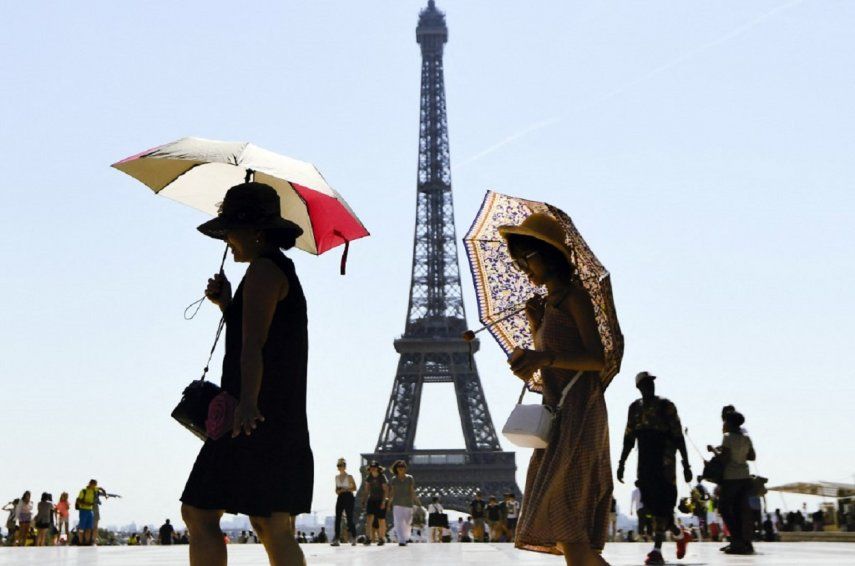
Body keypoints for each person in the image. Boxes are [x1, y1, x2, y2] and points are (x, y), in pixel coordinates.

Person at [180, 182, 314, 566]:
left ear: (255, 232)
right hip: (277, 415)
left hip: (250, 415)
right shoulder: (273, 270)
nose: (228, 240)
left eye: (231, 232)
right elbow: (264, 339)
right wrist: (226, 305)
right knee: (271, 522)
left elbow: (253, 347)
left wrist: (248, 405)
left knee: (200, 512)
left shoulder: (262, 272)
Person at [501, 214, 613, 566]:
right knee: (566, 529)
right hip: (559, 416)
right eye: (517, 262)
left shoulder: (573, 298)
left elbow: (597, 359)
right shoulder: (549, 307)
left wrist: (544, 356)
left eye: (526, 258)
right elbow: (548, 366)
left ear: (549, 254)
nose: (522, 268)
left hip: (579, 414)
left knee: (566, 521)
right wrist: (536, 328)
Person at [618, 371, 692, 565]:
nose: (650, 387)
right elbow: (629, 438)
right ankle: (679, 534)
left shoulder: (666, 406)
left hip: (665, 461)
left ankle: (657, 550)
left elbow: (678, 436)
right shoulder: (634, 408)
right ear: (639, 387)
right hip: (645, 461)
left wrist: (686, 464)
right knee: (651, 504)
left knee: (663, 501)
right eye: (645, 384)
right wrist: (621, 463)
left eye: (651, 383)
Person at [708, 410, 755, 555]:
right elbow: (752, 456)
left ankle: (736, 541)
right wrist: (740, 455)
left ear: (729, 423)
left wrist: (714, 451)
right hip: (744, 477)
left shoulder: (727, 437)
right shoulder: (746, 438)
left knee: (724, 508)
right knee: (739, 510)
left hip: (731, 478)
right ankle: (742, 541)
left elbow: (725, 459)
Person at [389, 460, 418, 546]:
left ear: (405, 468)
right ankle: (401, 540)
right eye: (399, 467)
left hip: (408, 503)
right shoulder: (394, 479)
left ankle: (406, 537)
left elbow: (412, 491)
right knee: (398, 522)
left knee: (407, 522)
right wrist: (388, 502)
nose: (401, 468)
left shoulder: (410, 478)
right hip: (397, 504)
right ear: (396, 469)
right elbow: (392, 492)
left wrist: (417, 502)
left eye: (402, 467)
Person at [331, 458, 357, 546]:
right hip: (340, 497)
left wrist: (345, 489)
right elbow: (336, 490)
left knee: (349, 517)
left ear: (344, 466)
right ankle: (336, 538)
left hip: (348, 496)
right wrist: (338, 491)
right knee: (338, 518)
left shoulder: (349, 477)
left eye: (341, 465)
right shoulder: (336, 477)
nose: (340, 467)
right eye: (338, 465)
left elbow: (354, 488)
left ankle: (353, 537)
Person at [362, 461, 389, 545]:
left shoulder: (382, 477)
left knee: (381, 519)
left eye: (374, 467)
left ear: (378, 468)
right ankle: (368, 537)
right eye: (371, 467)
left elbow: (386, 490)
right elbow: (366, 490)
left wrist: (384, 502)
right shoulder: (369, 477)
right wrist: (364, 499)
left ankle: (381, 538)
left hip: (380, 499)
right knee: (369, 518)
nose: (373, 468)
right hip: (372, 500)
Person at [76, 480, 98, 546]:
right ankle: (80, 542)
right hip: (83, 510)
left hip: (90, 511)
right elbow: (78, 500)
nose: (94, 486)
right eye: (93, 485)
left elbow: (101, 488)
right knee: (81, 528)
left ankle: (87, 542)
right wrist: (87, 504)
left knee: (89, 528)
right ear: (90, 484)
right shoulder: (83, 491)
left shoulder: (94, 490)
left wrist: (105, 494)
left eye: (95, 485)